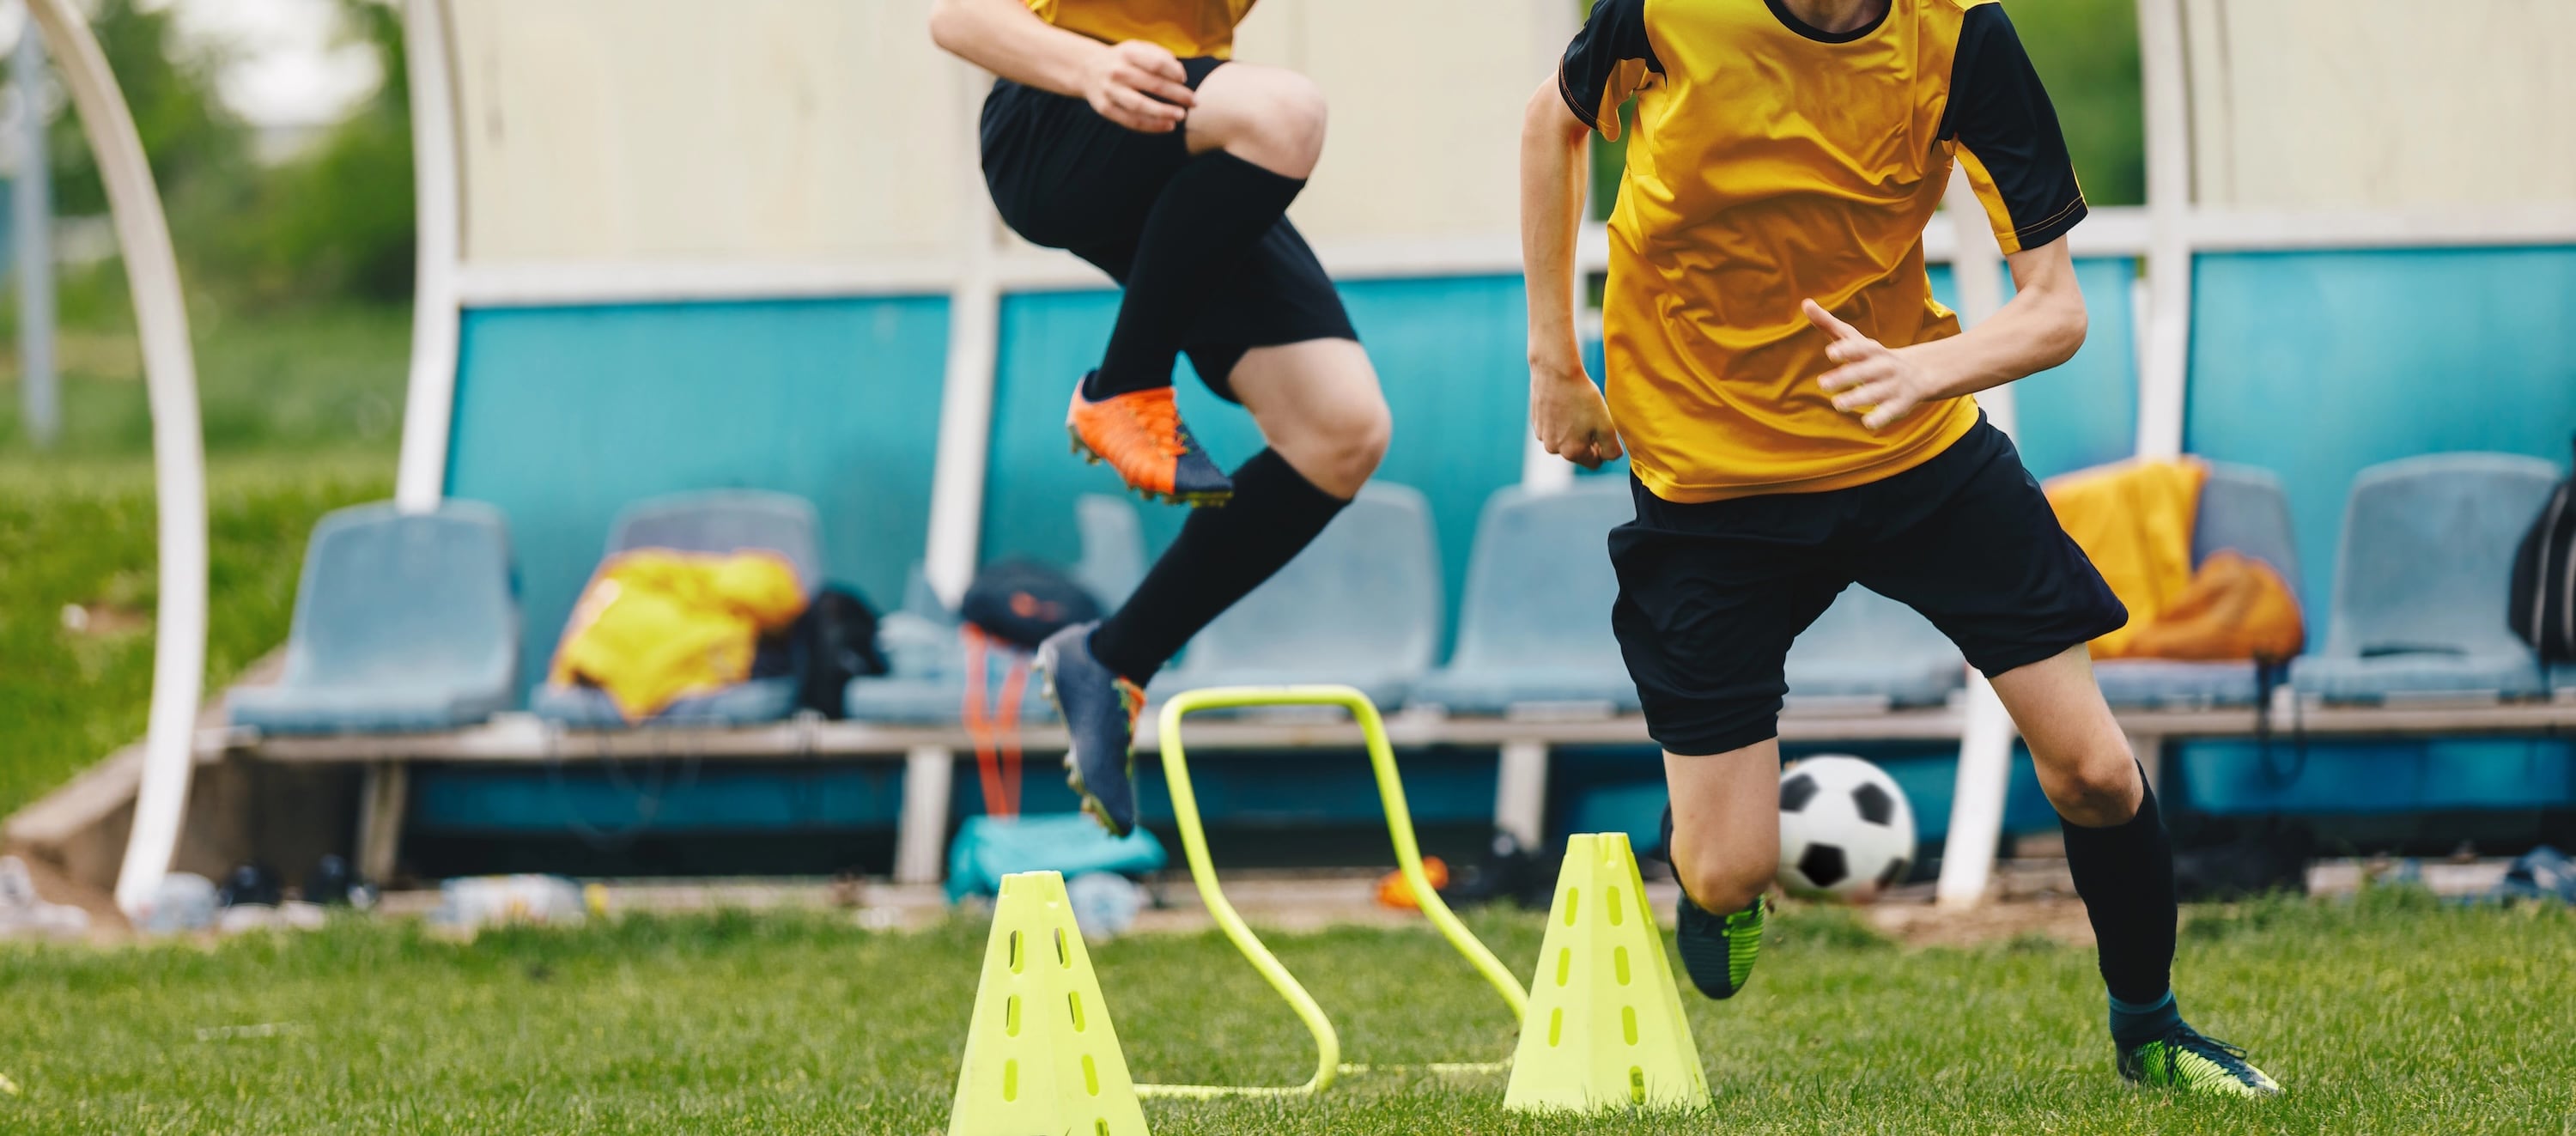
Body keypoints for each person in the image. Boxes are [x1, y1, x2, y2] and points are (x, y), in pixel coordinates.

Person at [1518, 0, 2278, 1098]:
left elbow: (2055, 311)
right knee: (1728, 868)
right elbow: (1552, 124)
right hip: (1709, 477)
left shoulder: (1961, 37)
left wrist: (1929, 370)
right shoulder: (1665, 8)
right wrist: (1555, 359)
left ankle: (2151, 1028)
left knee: (2100, 773)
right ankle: (1716, 886)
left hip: (1911, 444)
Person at [930, 0, 1391, 836]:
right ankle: (1124, 385)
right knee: (1283, 113)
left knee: (1342, 430)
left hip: (1176, 158)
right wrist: (1087, 68)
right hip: (1059, 120)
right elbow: (957, 18)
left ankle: (1113, 660)